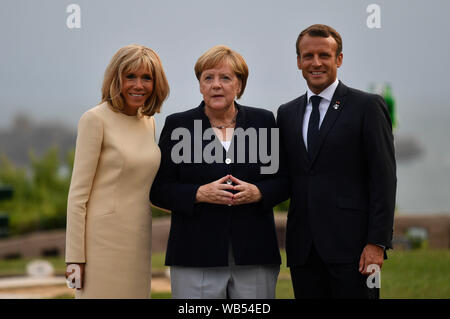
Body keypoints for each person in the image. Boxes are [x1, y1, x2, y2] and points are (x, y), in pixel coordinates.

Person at [150, 45, 289, 299]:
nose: (216, 85)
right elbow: (158, 190)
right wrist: (198, 193)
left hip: (255, 254)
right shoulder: (178, 125)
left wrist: (258, 192)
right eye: (208, 78)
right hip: (194, 254)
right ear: (200, 85)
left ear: (239, 85)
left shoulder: (264, 121)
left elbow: (285, 181)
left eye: (225, 78)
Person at [277, 24, 396, 299]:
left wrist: (377, 243)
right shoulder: (287, 113)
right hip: (303, 252)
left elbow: (384, 179)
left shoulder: (368, 106)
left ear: (339, 59)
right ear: (298, 61)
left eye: (324, 55)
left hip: (355, 251)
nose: (315, 63)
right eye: (308, 56)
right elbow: (286, 176)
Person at [65, 44, 169, 298]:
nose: (138, 85)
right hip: (101, 244)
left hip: (139, 238)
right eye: (130, 76)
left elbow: (147, 187)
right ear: (116, 78)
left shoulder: (149, 122)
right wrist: (74, 259)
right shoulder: (94, 119)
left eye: (147, 78)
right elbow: (77, 195)